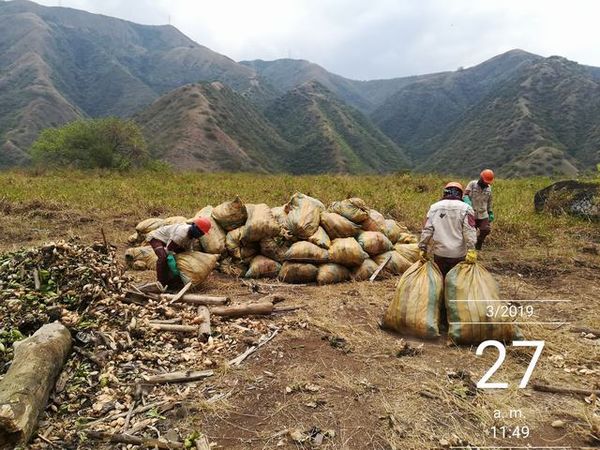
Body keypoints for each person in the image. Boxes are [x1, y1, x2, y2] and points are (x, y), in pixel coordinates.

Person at [418, 182, 477, 277]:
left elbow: (427, 229)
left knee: (441, 279)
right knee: (456, 283)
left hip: (440, 253)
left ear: (445, 193)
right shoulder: (466, 208)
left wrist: (423, 247)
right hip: (458, 254)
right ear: (460, 194)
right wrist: (471, 250)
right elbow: (469, 231)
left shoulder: (434, 208)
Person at [147, 218, 211, 288]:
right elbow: (168, 250)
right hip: (156, 238)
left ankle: (171, 280)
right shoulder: (181, 233)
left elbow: (188, 251)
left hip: (169, 241)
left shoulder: (191, 237)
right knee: (163, 257)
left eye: (202, 233)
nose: (200, 235)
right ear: (195, 227)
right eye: (200, 232)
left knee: (183, 254)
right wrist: (173, 267)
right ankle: (160, 282)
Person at [463, 169, 494, 250]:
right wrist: (467, 201)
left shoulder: (489, 188)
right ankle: (469, 248)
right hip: (471, 213)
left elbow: (489, 201)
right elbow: (465, 195)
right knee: (470, 232)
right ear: (481, 178)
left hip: (483, 213)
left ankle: (479, 242)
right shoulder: (472, 184)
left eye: (488, 182)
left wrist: (490, 212)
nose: (486, 183)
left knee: (486, 230)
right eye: (485, 181)